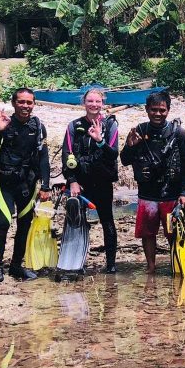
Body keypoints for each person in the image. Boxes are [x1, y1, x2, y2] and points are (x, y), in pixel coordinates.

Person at [120, 90, 185, 274]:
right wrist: (129, 146)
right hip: (147, 194)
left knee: (173, 233)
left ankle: (176, 265)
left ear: (168, 110)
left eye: (162, 110)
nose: (157, 114)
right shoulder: (139, 131)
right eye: (153, 110)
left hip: (171, 194)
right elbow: (125, 160)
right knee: (147, 234)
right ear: (146, 110)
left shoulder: (179, 134)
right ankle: (151, 267)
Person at [0, 88, 51, 281]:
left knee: (24, 225)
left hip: (27, 184)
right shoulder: (2, 124)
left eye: (29, 102)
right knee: (3, 223)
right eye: (21, 102)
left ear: (34, 104)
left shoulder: (37, 126)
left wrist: (46, 186)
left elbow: (43, 158)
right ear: (14, 103)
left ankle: (16, 266)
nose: (25, 106)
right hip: (4, 183)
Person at [62, 88, 120, 273]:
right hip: (81, 183)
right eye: (90, 101)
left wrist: (100, 140)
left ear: (103, 103)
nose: (94, 105)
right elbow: (67, 155)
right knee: (76, 221)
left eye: (98, 102)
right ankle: (76, 262)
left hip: (103, 181)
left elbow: (113, 154)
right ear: (84, 103)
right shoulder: (74, 126)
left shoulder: (110, 126)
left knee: (107, 221)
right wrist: (72, 181)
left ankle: (110, 264)